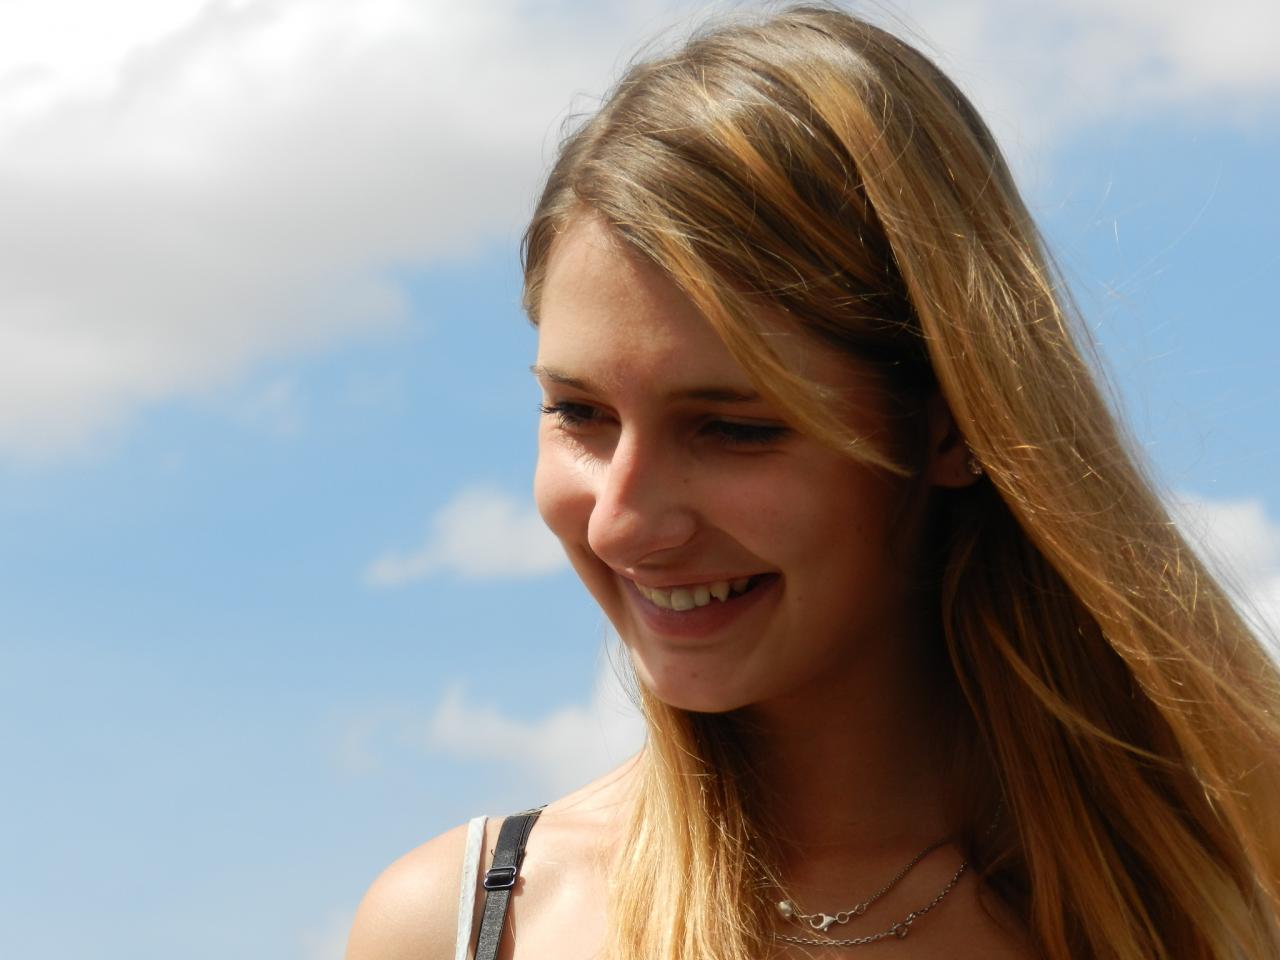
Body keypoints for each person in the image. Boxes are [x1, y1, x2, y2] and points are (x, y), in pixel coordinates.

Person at [345, 5, 1280, 958]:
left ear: (951, 426)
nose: (620, 523)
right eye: (578, 413)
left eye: (733, 429)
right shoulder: (465, 926)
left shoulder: (1229, 898)